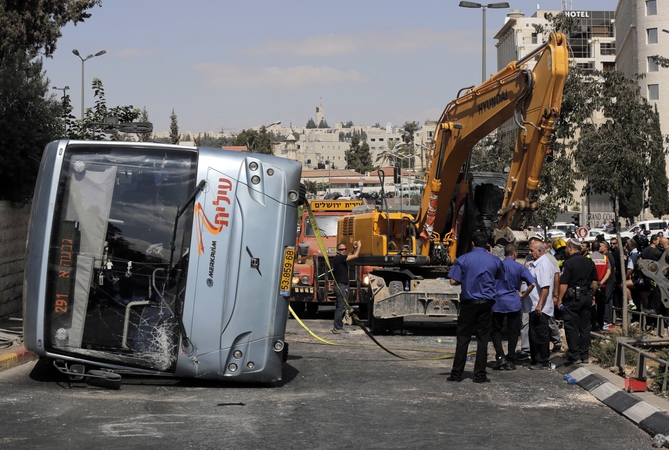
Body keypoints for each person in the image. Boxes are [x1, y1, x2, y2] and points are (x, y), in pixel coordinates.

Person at [447, 231, 505, 383]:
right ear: (487, 244)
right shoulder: (495, 260)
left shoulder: (464, 258)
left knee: (463, 338)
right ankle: (480, 374)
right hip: (486, 303)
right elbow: (499, 276)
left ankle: (456, 374)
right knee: (483, 339)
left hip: (469, 303)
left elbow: (453, 281)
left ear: (472, 243)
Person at [491, 244, 536, 371]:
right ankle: (510, 358)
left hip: (498, 302)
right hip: (513, 303)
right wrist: (522, 294)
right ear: (515, 253)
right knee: (513, 332)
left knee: (495, 330)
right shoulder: (520, 267)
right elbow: (532, 283)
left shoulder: (497, 266)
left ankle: (500, 356)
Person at [557, 238, 598, 364]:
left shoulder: (568, 263)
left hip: (572, 299)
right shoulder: (590, 262)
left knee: (571, 327)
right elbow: (595, 283)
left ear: (570, 248)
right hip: (586, 297)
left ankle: (575, 356)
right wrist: (593, 296)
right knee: (585, 327)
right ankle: (584, 354)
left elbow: (563, 284)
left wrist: (559, 299)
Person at [526, 240, 556, 369]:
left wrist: (539, 304)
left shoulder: (543, 264)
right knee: (534, 333)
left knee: (540, 334)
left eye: (531, 250)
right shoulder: (536, 264)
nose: (529, 253)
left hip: (540, 307)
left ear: (539, 251)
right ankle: (535, 359)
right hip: (534, 306)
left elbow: (545, 287)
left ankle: (542, 360)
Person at [331, 240, 361, 334]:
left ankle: (338, 326)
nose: (344, 250)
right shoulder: (339, 259)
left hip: (341, 285)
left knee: (341, 306)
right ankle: (338, 327)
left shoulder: (340, 258)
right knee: (341, 307)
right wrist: (359, 246)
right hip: (340, 286)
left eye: (345, 249)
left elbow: (349, 254)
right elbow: (355, 256)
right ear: (337, 251)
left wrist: (353, 248)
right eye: (341, 249)